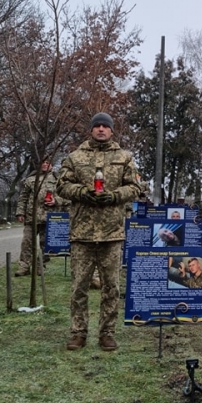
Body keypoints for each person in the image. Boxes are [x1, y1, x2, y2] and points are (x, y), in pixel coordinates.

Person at [56, 112, 140, 352]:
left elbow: (134, 186)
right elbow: (61, 185)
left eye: (106, 126)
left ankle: (107, 333)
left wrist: (114, 196)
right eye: (97, 126)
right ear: (91, 130)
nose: (101, 130)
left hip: (111, 233)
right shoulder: (74, 157)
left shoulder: (124, 157)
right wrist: (83, 193)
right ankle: (78, 332)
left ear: (112, 131)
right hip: (82, 233)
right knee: (79, 287)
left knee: (111, 287)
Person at [14, 159, 65, 276]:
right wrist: (20, 212)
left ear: (52, 164)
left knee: (46, 246)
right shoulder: (31, 179)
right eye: (43, 162)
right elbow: (23, 197)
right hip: (32, 217)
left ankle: (40, 266)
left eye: (48, 162)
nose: (45, 164)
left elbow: (66, 196)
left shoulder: (58, 180)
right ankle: (24, 266)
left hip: (50, 218)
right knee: (27, 242)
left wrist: (56, 201)